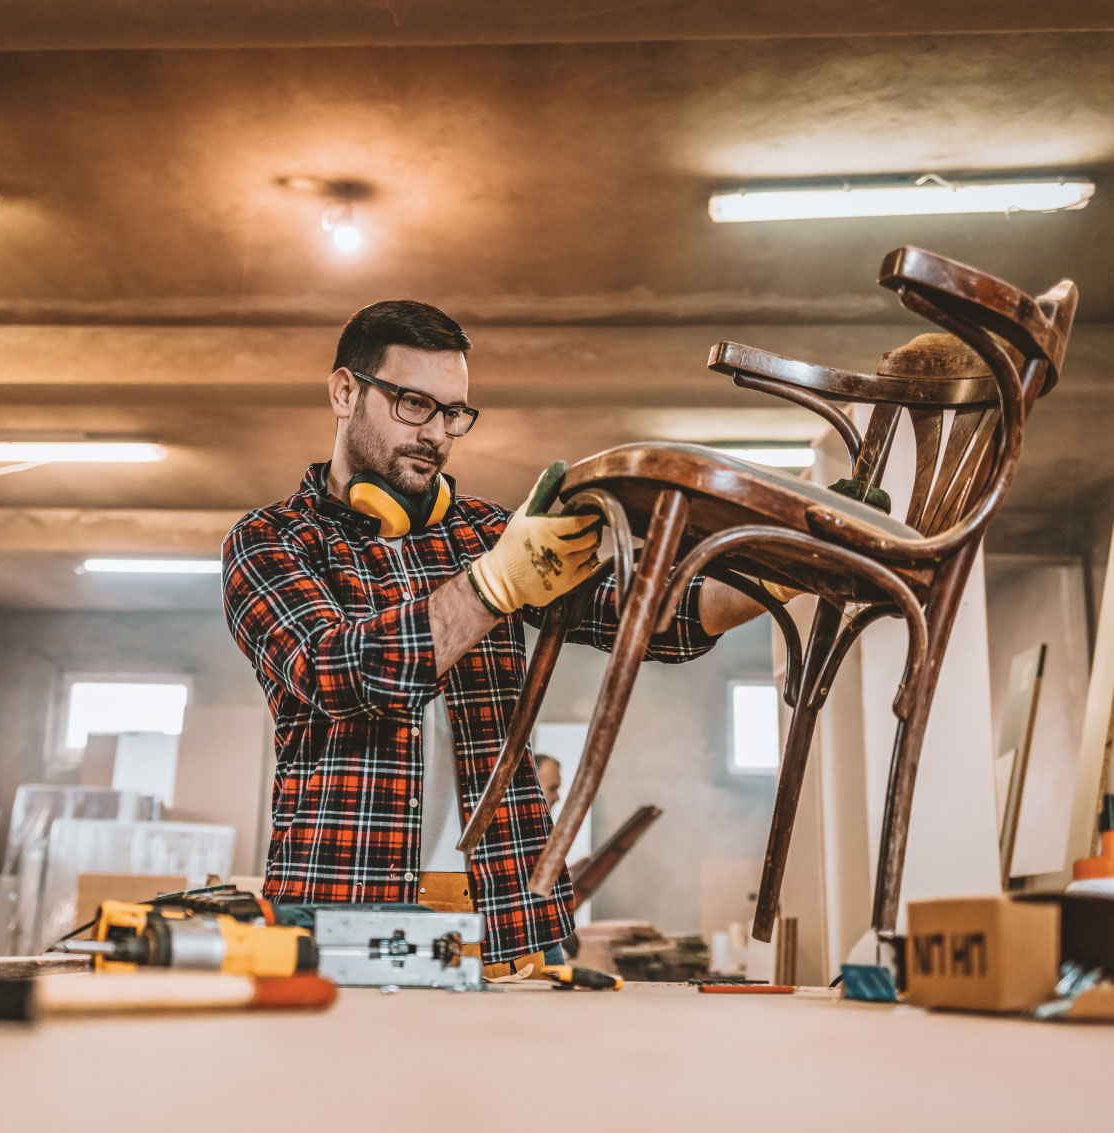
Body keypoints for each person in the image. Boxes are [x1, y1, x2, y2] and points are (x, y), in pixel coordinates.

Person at [222, 300, 765, 977]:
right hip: (340, 921)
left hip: (510, 923)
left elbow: (658, 618)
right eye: (414, 404)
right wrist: (490, 590)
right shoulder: (272, 540)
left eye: (454, 413)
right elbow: (333, 674)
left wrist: (786, 571)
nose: (438, 435)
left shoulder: (486, 533)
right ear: (344, 391)